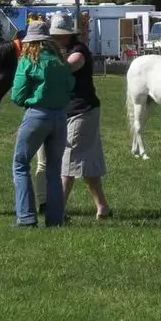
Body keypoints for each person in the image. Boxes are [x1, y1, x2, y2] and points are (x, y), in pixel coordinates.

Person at [34, 13, 111, 221]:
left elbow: (66, 69)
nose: (56, 38)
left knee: (67, 163)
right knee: (87, 164)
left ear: (69, 35)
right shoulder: (58, 50)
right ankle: (102, 207)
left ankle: (57, 211)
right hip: (69, 111)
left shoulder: (79, 52)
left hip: (83, 111)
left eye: (59, 35)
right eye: (54, 35)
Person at [10, 20, 74, 228]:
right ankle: (55, 220)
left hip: (37, 115)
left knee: (20, 164)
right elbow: (70, 87)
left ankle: (26, 217)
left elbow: (17, 95)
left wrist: (30, 100)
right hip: (60, 117)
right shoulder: (60, 62)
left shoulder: (28, 60)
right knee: (54, 171)